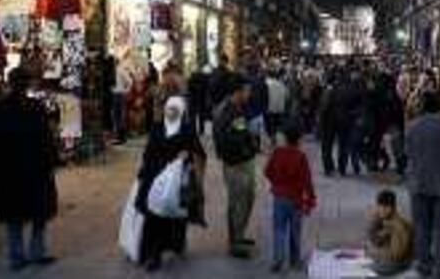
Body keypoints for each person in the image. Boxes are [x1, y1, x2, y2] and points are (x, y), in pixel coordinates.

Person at [0, 68, 58, 271]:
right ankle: (36, 252)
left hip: (12, 171)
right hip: (34, 168)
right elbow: (46, 139)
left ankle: (17, 256)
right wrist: (51, 162)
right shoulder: (35, 107)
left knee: (14, 215)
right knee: (38, 213)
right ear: (26, 84)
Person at [135, 96, 206, 271]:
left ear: (181, 111)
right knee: (154, 216)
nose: (171, 111)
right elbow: (148, 152)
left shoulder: (187, 129)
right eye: (169, 108)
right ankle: (153, 255)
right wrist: (143, 174)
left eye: (175, 108)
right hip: (154, 178)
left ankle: (175, 244)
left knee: (175, 215)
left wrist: (187, 156)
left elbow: (198, 152)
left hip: (176, 180)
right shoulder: (157, 128)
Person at [405, 91, 440, 279]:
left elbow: (407, 152)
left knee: (421, 227)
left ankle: (423, 264)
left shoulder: (412, 127)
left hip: (418, 183)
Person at [213, 74, 258, 259]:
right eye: (247, 90)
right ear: (238, 91)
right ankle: (235, 243)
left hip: (244, 160)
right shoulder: (226, 111)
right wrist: (248, 142)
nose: (249, 93)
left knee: (247, 199)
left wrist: (249, 141)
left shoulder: (237, 108)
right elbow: (226, 140)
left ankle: (239, 235)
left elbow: (241, 131)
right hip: (235, 163)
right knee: (237, 202)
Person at [264, 121, 316, 273]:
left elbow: (267, 171)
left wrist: (276, 183)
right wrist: (311, 199)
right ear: (299, 139)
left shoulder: (277, 153)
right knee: (295, 230)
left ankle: (277, 259)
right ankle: (295, 260)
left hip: (279, 197)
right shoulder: (301, 156)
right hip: (296, 199)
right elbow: (307, 180)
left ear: (284, 138)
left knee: (279, 229)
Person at [366, 189, 414, 276]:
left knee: (374, 268)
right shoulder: (380, 219)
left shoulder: (399, 225)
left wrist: (375, 252)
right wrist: (375, 222)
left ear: (392, 208)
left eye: (386, 207)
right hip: (386, 258)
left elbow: (396, 256)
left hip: (399, 263)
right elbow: (372, 238)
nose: (382, 210)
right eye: (380, 206)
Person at [112, 58, 133, 144]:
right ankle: (119, 136)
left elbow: (130, 81)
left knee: (120, 116)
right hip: (115, 95)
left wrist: (126, 91)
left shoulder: (120, 70)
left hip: (120, 94)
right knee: (116, 116)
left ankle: (122, 137)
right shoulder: (114, 71)